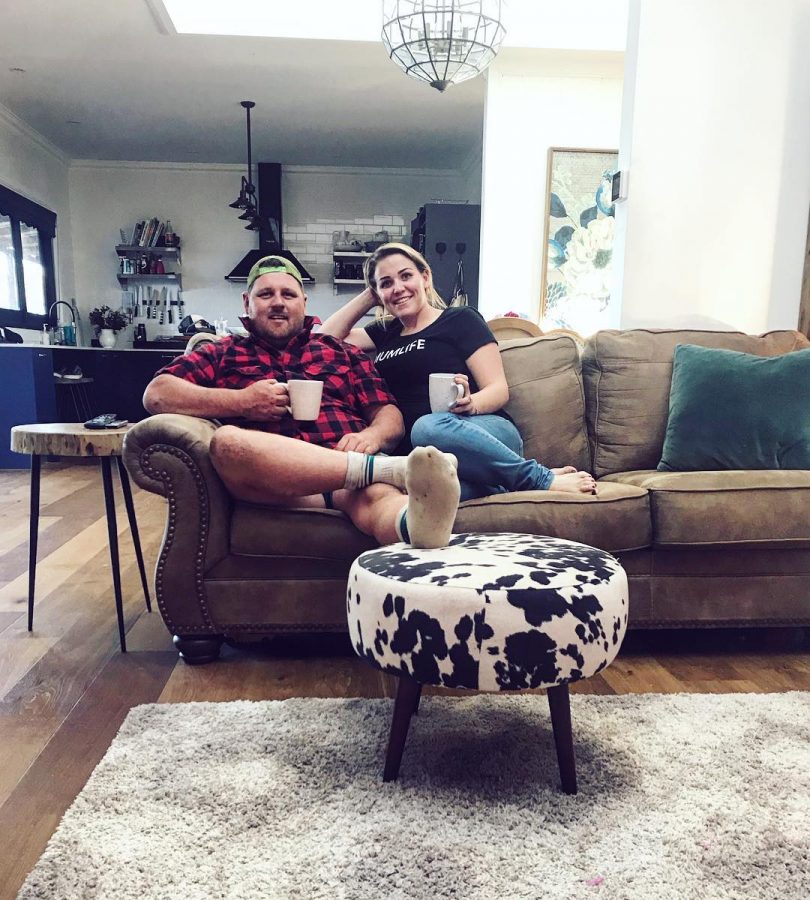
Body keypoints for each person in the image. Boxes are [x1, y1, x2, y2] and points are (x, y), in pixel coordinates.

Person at [142, 254, 460, 549]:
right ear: (247, 302)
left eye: (288, 294)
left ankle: (420, 527)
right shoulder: (223, 352)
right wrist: (241, 401)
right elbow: (157, 393)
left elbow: (388, 414)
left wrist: (372, 436)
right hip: (272, 479)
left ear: (303, 303)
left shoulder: (341, 351)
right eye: (266, 294)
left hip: (347, 471)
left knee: (381, 501)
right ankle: (390, 469)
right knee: (228, 444)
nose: (278, 303)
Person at [319, 242, 597, 502]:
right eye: (387, 283)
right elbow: (324, 339)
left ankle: (538, 478)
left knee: (426, 427)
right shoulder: (384, 331)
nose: (398, 288)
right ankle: (499, 483)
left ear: (425, 278)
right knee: (415, 492)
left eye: (406, 276)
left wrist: (470, 403)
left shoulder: (460, 319)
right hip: (423, 454)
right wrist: (371, 294)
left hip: (475, 431)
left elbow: (498, 390)